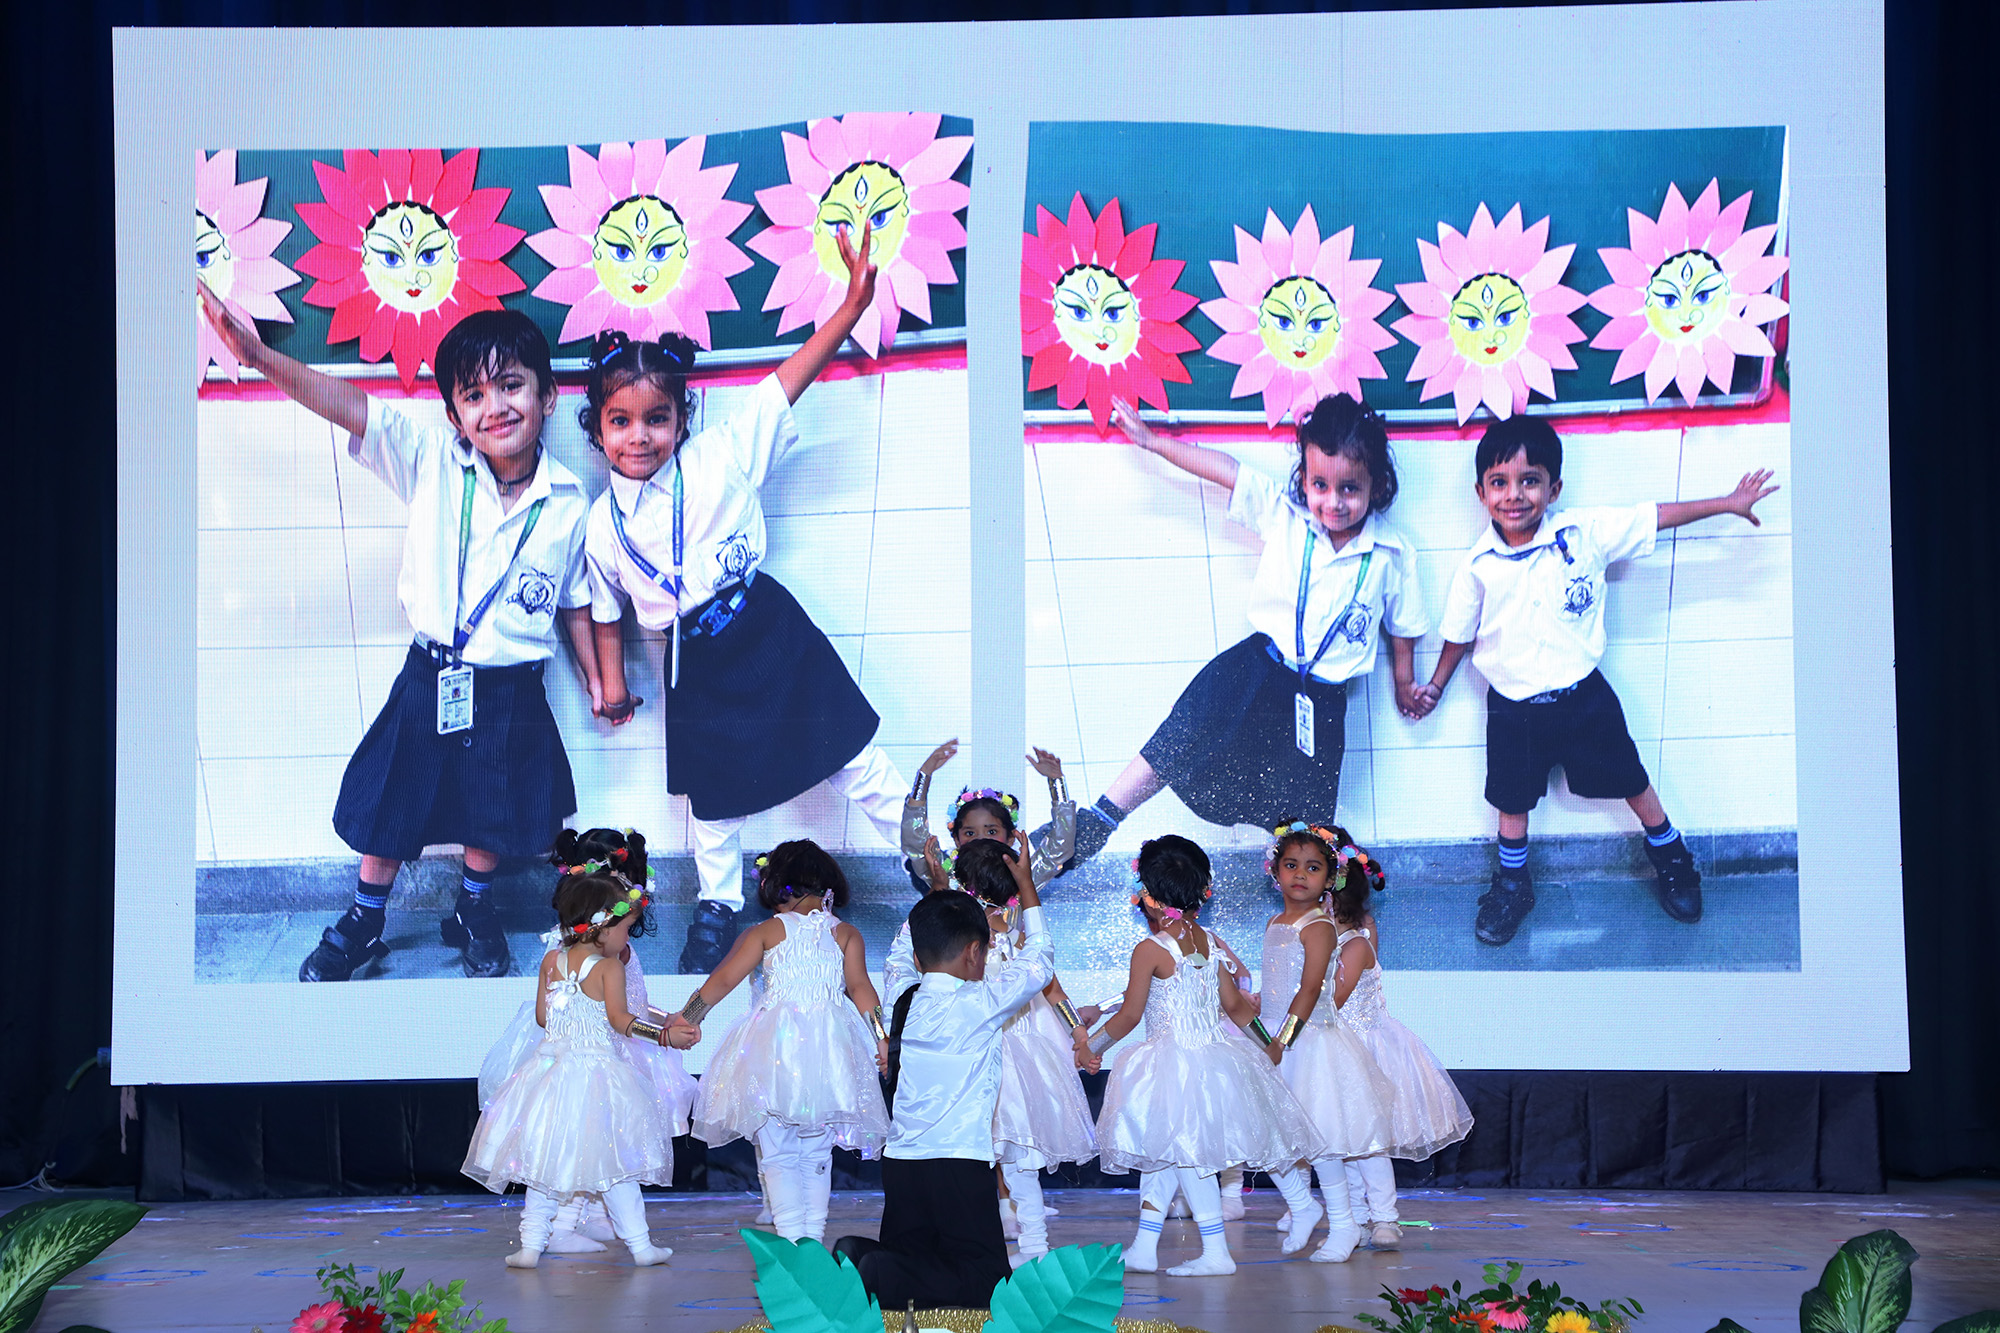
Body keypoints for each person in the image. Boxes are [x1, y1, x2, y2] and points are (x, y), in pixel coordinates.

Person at [198, 283, 601, 983]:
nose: (496, 406)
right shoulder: (430, 460)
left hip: (513, 686)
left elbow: (574, 603)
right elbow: (345, 404)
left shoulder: (569, 501)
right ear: (454, 415)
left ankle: (474, 908)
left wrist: (601, 680)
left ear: (548, 396)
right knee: (393, 798)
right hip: (433, 674)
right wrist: (259, 357)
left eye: (512, 385)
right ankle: (365, 918)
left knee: (490, 807)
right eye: (474, 395)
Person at [579, 223, 909, 974]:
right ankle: (719, 904)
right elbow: (605, 609)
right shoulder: (600, 523)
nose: (640, 436)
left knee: (852, 757)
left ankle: (941, 864)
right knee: (715, 801)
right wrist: (611, 683)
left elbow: (789, 380)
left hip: (767, 633)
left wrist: (850, 310)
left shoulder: (721, 456)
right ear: (597, 429)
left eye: (657, 418)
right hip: (692, 663)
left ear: (682, 418)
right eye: (620, 421)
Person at [1418, 416, 1779, 943]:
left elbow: (1655, 517)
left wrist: (1727, 502)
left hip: (1584, 699)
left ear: (1554, 489)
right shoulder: (1477, 566)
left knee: (1632, 780)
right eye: (1499, 482)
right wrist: (1435, 684)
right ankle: (1513, 885)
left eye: (1530, 480)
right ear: (1481, 493)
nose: (1514, 495)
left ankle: (1672, 858)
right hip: (1513, 708)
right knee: (1511, 800)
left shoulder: (1585, 532)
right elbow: (1458, 636)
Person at [1059, 394, 1429, 872]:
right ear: (1304, 479)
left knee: (1305, 805)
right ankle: (1101, 818)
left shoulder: (1393, 554)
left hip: (1321, 700)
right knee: (1184, 733)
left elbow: (1403, 628)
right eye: (1320, 485)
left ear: (1376, 484)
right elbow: (1224, 470)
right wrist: (1152, 441)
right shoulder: (1285, 513)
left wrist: (1404, 682)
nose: (1333, 502)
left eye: (1350, 489)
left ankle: (1292, 875)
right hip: (1255, 670)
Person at [832, 830, 1061, 1310]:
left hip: (902, 1163)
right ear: (976, 953)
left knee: (917, 1258)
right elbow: (1039, 961)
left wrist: (937, 893)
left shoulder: (903, 994)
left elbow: (902, 952)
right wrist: (1027, 887)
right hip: (959, 1162)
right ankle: (875, 1270)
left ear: (919, 958)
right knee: (986, 1285)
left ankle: (863, 1257)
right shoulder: (982, 1001)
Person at [1082, 835, 1323, 1276]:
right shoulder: (1209, 942)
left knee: (1187, 1156)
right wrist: (1267, 1044)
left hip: (1174, 1065)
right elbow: (1235, 1007)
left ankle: (1216, 1253)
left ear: (1148, 895)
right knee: (1163, 1153)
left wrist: (1090, 1046)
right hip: (1213, 1059)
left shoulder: (1151, 949)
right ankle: (1144, 1246)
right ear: (1202, 891)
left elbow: (1131, 1015)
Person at [461, 857, 696, 1268]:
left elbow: (542, 1017)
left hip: (551, 1074)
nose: (627, 937)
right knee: (617, 1166)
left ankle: (530, 1247)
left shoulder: (551, 961)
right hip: (597, 1076)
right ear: (603, 926)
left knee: (544, 1167)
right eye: (625, 928)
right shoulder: (609, 968)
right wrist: (663, 1035)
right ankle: (641, 1246)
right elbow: (621, 1021)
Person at [684, 840, 889, 1243]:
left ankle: (793, 1239)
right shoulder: (845, 933)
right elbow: (862, 989)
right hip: (828, 1051)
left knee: (778, 1150)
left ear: (777, 884)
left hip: (775, 1049)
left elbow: (722, 980)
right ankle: (812, 1238)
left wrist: (687, 1018)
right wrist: (880, 1037)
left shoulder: (767, 930)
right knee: (817, 1153)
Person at [1255, 822, 1397, 1263]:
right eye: (1291, 865)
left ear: (1330, 879)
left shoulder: (1318, 926)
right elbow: (1274, 988)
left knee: (1323, 1141)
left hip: (1309, 1040)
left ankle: (1344, 1224)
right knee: (1273, 1134)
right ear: (1275, 870)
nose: (1300, 874)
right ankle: (1304, 1206)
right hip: (1277, 1033)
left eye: (1313, 867)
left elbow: (1311, 989)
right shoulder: (1275, 922)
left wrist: (1281, 1041)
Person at [1322, 835, 1473, 1248]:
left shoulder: (1355, 942)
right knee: (1341, 1141)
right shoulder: (1327, 939)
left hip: (1365, 1050)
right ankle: (1353, 1218)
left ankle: (1384, 1217)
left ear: (1331, 900)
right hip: (1336, 1049)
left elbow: (1334, 998)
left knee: (1369, 1143)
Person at [901, 742, 1076, 895]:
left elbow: (1060, 846)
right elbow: (915, 840)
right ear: (956, 840)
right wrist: (924, 775)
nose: (981, 839)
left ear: (1010, 838)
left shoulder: (1022, 879)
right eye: (970, 833)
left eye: (991, 831)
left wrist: (1056, 781)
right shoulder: (946, 878)